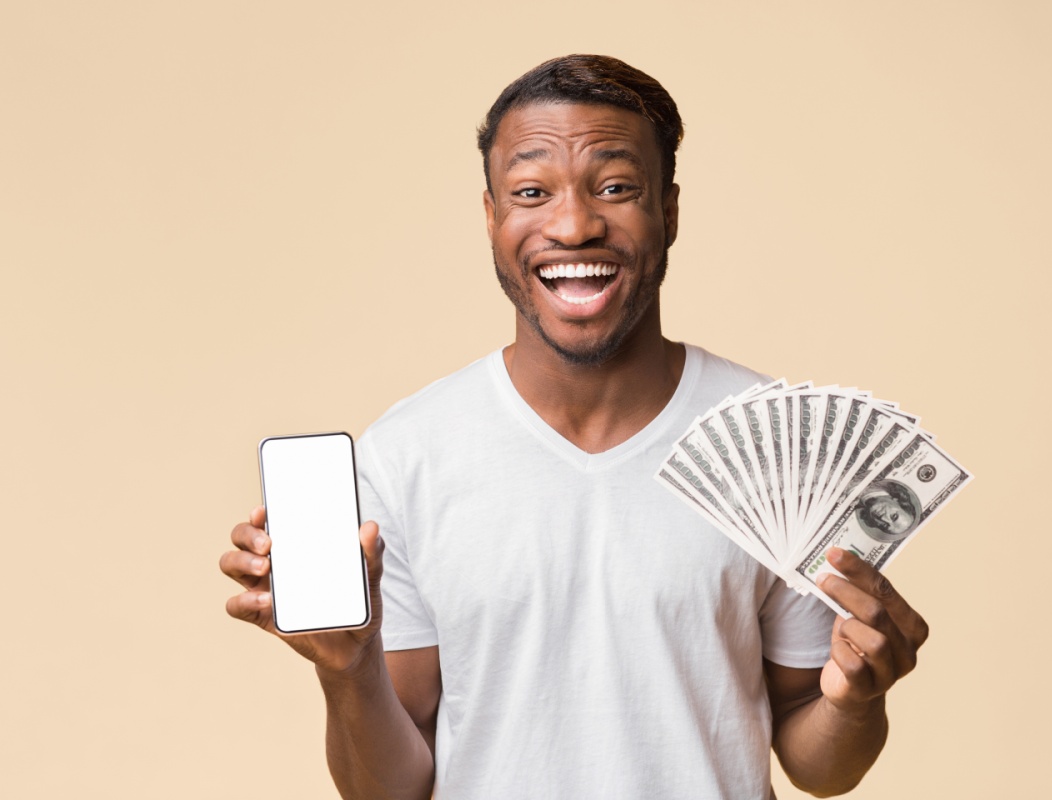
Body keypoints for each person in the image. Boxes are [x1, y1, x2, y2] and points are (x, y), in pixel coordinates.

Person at [220, 54, 930, 799]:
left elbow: (820, 765)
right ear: (492, 219)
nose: (574, 224)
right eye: (532, 192)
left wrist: (857, 699)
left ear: (671, 212)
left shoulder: (774, 448)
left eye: (616, 188)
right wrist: (349, 670)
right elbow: (390, 789)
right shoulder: (406, 456)